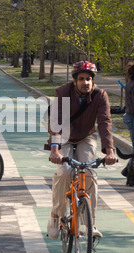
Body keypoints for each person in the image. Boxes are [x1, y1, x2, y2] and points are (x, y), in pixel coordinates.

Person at [47, 61, 117, 240]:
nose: (86, 82)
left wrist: (109, 150)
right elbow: (55, 123)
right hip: (64, 136)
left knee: (90, 173)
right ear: (74, 80)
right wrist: (55, 150)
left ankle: (90, 224)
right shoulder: (62, 92)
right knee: (64, 171)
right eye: (82, 79)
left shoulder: (100, 95)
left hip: (86, 135)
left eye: (89, 79)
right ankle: (56, 214)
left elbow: (104, 123)